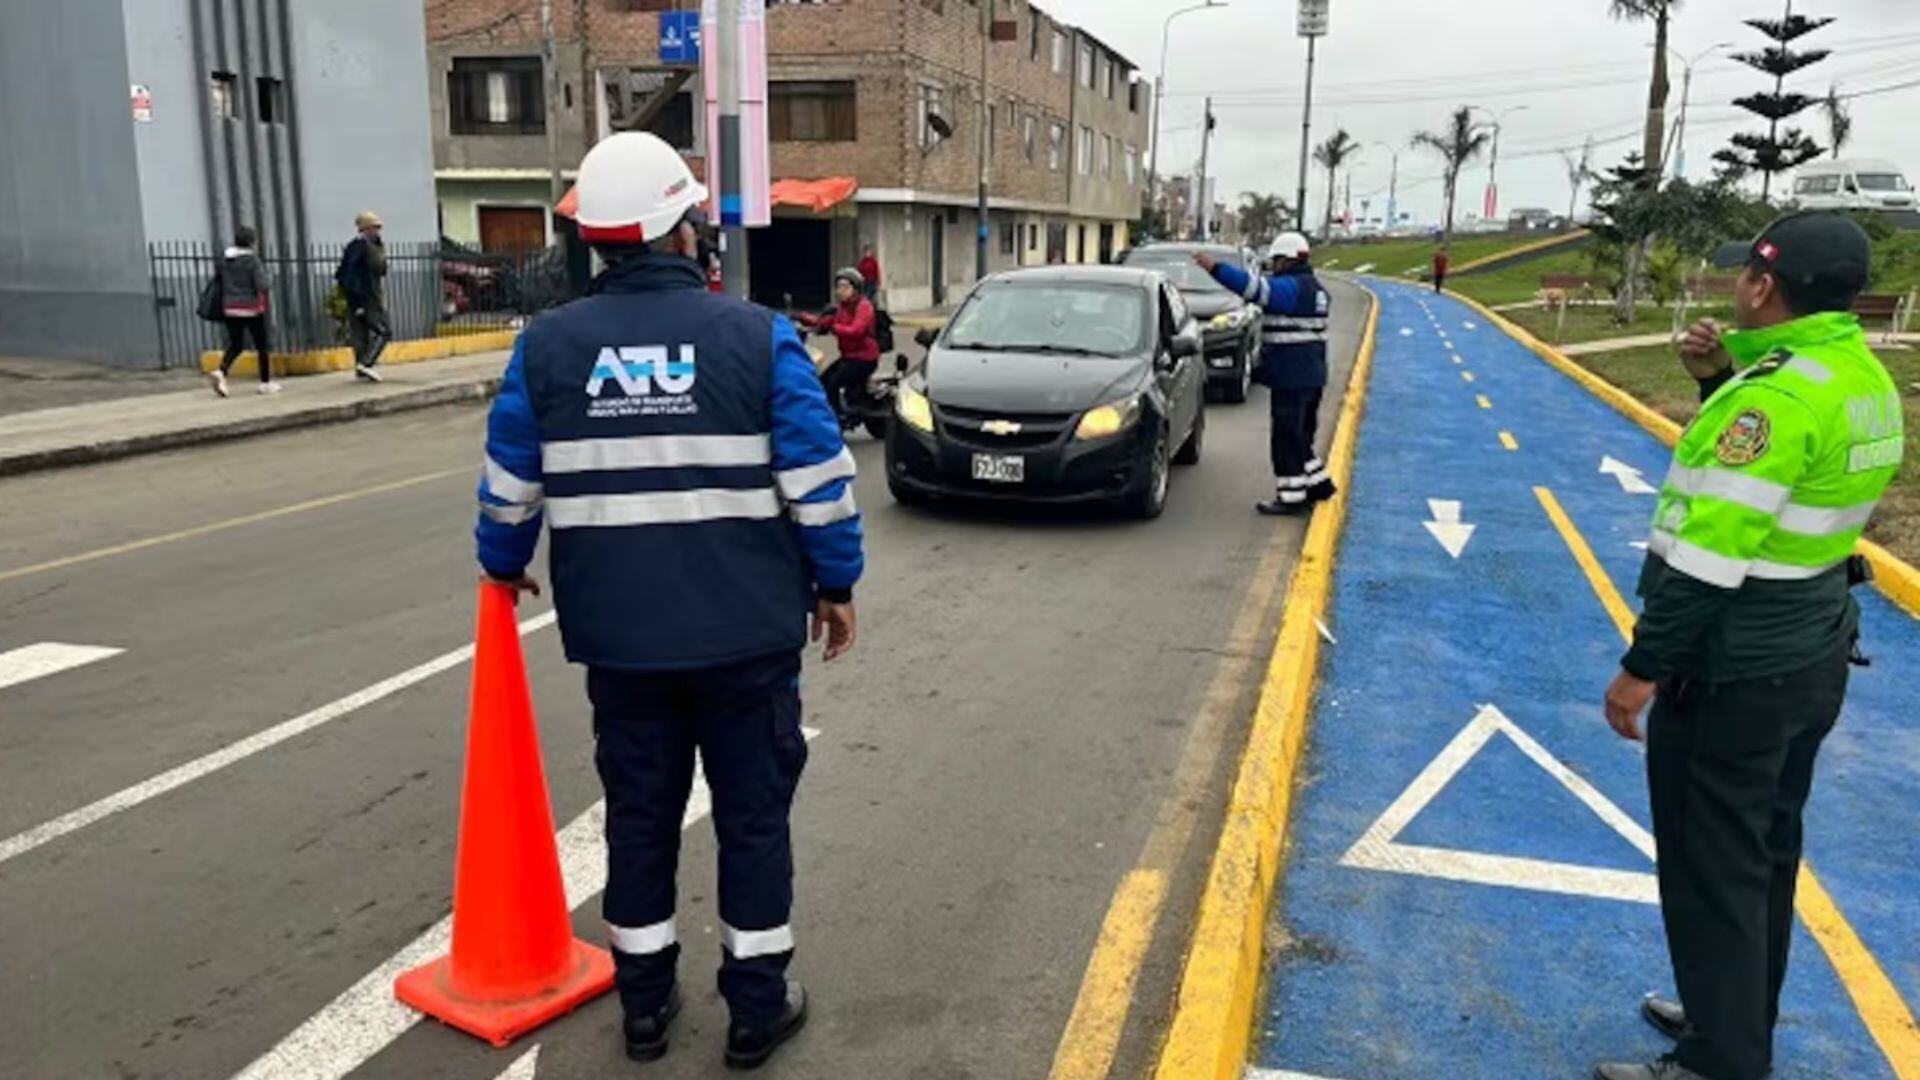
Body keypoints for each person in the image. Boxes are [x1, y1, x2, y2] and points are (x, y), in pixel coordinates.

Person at [473, 132, 862, 1071]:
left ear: (603, 241)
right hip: (747, 641)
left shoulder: (548, 348)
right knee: (753, 821)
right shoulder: (757, 337)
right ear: (683, 229)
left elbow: (507, 484)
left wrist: (502, 562)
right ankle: (755, 1012)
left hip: (623, 645)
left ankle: (644, 1009)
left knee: (640, 819)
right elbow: (820, 480)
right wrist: (836, 585)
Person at [1594, 212, 1901, 1080]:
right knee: (1763, 855)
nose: (1735, 285)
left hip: (1734, 670)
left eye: (1744, 274)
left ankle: (1718, 1062)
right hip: (1808, 656)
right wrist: (1715, 379)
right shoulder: (1854, 375)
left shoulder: (1779, 397)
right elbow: (1782, 485)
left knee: (1711, 866)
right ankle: (1732, 1017)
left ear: (1764, 285)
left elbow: (1709, 556)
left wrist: (1641, 668)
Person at [1195, 233, 1337, 515]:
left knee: (1286, 437)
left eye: (1277, 261)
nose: (1274, 267)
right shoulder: (1317, 289)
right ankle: (1319, 485)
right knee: (1300, 435)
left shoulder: (1290, 288)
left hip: (1291, 376)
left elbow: (1252, 288)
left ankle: (1292, 498)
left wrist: (1215, 269)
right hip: (1311, 375)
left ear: (1287, 260)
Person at [798, 268, 880, 425]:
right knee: (822, 380)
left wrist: (835, 328)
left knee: (833, 382)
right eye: (838, 287)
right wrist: (802, 318)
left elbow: (857, 330)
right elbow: (824, 322)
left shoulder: (864, 306)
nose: (840, 291)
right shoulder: (841, 307)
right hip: (849, 357)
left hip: (864, 358)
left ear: (856, 289)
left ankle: (837, 419)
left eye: (845, 287)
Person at [210, 226, 281, 397]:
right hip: (251, 307)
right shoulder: (252, 260)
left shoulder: (225, 260)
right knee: (262, 345)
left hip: (230, 307)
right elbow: (262, 285)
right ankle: (265, 383)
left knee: (236, 344)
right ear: (251, 242)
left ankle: (221, 371)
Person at [336, 211, 390, 382]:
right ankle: (366, 363)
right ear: (365, 229)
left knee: (362, 335)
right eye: (374, 228)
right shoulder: (358, 247)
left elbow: (381, 270)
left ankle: (362, 370)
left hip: (370, 295)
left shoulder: (374, 246)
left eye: (377, 228)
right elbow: (349, 275)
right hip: (366, 298)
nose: (377, 231)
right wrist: (358, 301)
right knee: (384, 332)